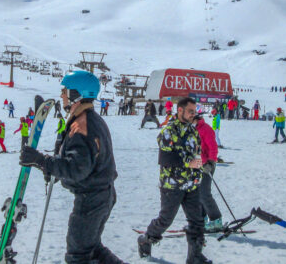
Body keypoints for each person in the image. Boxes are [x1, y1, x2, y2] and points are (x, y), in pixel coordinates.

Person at [20, 70, 121, 264]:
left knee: (78, 256)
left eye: (65, 91)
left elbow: (76, 169)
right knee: (92, 249)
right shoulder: (91, 119)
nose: (62, 95)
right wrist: (55, 167)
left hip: (91, 200)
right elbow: (85, 163)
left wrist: (42, 161)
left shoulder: (82, 125)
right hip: (101, 195)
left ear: (77, 94)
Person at [138, 97, 209, 263]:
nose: (193, 114)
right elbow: (165, 159)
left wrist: (202, 163)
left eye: (195, 111)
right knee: (166, 219)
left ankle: (195, 256)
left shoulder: (193, 131)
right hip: (172, 184)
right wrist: (188, 163)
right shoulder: (168, 131)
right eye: (190, 111)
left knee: (197, 220)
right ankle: (146, 239)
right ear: (180, 111)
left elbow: (196, 153)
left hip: (192, 183)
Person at [196, 114, 223, 232]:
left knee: (204, 192)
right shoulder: (192, 129)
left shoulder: (205, 129)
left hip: (207, 164)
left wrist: (211, 162)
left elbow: (213, 147)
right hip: (196, 164)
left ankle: (216, 220)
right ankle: (201, 219)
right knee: (196, 192)